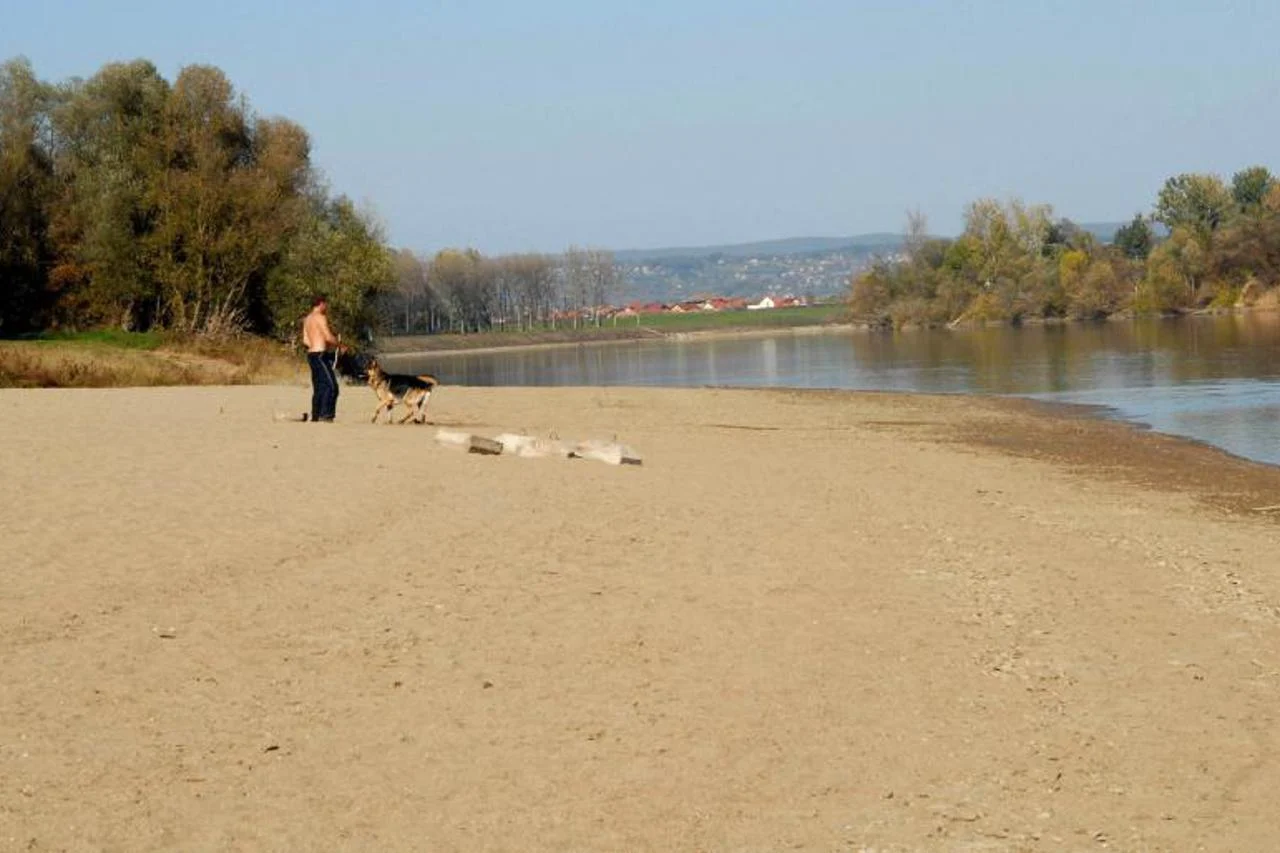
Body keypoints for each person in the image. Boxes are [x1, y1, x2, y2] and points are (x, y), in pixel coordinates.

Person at [302, 295, 341, 422]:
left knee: (319, 386)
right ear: (321, 304)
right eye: (325, 304)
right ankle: (326, 415)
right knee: (331, 386)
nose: (326, 307)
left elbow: (305, 340)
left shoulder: (307, 319)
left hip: (311, 355)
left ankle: (316, 414)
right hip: (320, 355)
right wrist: (340, 345)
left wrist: (317, 342)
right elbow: (328, 336)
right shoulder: (320, 317)